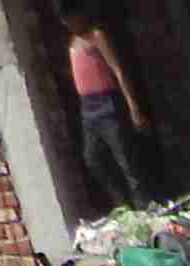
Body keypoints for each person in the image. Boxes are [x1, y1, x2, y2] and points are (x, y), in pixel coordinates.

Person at [62, 16, 151, 213]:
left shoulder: (97, 37)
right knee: (92, 158)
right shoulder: (73, 42)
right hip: (88, 107)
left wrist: (133, 107)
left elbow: (117, 70)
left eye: (71, 19)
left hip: (106, 102)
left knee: (125, 159)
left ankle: (143, 206)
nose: (70, 24)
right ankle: (123, 204)